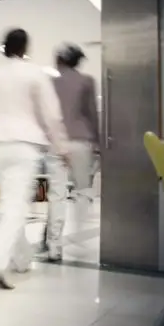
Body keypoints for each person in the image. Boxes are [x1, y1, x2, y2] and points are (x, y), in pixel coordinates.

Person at [0, 29, 69, 290]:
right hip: (24, 144)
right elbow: (52, 115)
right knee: (15, 208)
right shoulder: (34, 73)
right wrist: (61, 146)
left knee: (9, 204)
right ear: (24, 47)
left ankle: (21, 259)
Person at [44, 43, 99, 262]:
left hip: (57, 143)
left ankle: (54, 246)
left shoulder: (51, 83)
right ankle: (79, 232)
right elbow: (92, 114)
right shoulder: (87, 81)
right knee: (83, 190)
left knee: (56, 194)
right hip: (81, 142)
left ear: (61, 61)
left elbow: (47, 115)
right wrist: (99, 144)